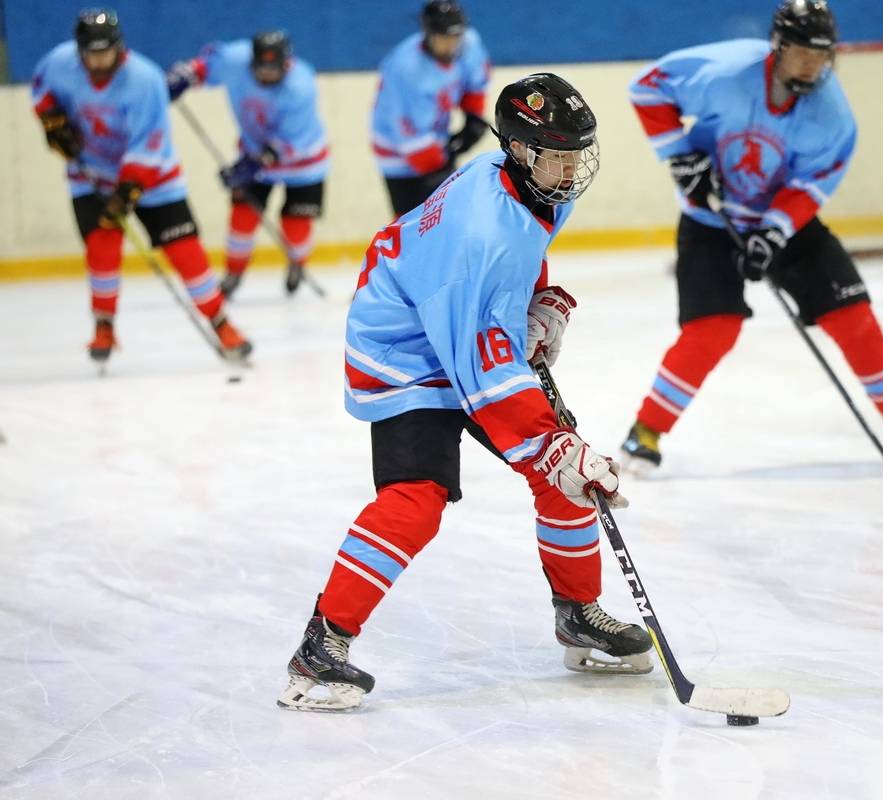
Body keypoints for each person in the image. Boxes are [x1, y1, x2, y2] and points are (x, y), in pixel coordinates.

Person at [279, 73, 651, 712]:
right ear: (520, 148)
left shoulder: (528, 180)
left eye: (574, 153)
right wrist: (551, 443)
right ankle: (322, 646)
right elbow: (478, 369)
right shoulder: (479, 235)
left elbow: (521, 253)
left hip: (457, 319)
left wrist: (534, 301)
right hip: (404, 349)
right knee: (417, 496)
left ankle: (578, 613)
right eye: (556, 154)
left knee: (558, 469)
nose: (569, 168)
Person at [619, 0, 883, 477]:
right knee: (713, 329)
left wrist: (774, 232)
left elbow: (813, 184)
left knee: (853, 315)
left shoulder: (832, 115)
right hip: (711, 221)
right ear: (778, 47)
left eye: (822, 54)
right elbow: (646, 89)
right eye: (803, 52)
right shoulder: (727, 71)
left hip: (784, 224)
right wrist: (680, 156)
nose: (813, 64)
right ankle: (645, 432)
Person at [31, 8, 251, 365]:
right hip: (91, 174)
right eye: (91, 53)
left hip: (155, 179)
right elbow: (41, 92)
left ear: (120, 47)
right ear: (79, 50)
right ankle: (104, 327)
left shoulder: (145, 80)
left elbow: (149, 145)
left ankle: (221, 323)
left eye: (105, 52)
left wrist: (127, 191)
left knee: (186, 252)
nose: (99, 60)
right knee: (101, 248)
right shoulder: (59, 63)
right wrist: (51, 121)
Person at [167, 30, 330, 298]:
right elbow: (205, 66)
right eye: (260, 69)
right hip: (255, 151)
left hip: (303, 160)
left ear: (286, 64)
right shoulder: (235, 59)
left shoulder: (301, 84)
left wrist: (254, 165)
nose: (266, 76)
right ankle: (233, 273)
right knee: (243, 215)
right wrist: (188, 75)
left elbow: (290, 142)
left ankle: (296, 263)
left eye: (273, 71)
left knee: (296, 221)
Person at [372, 0, 491, 219]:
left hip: (434, 136)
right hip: (396, 149)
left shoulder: (469, 43)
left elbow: (475, 81)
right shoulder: (405, 70)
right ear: (428, 33)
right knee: (411, 223)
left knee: (449, 215)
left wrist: (473, 118)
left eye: (455, 37)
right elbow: (407, 135)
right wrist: (441, 167)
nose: (451, 45)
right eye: (443, 38)